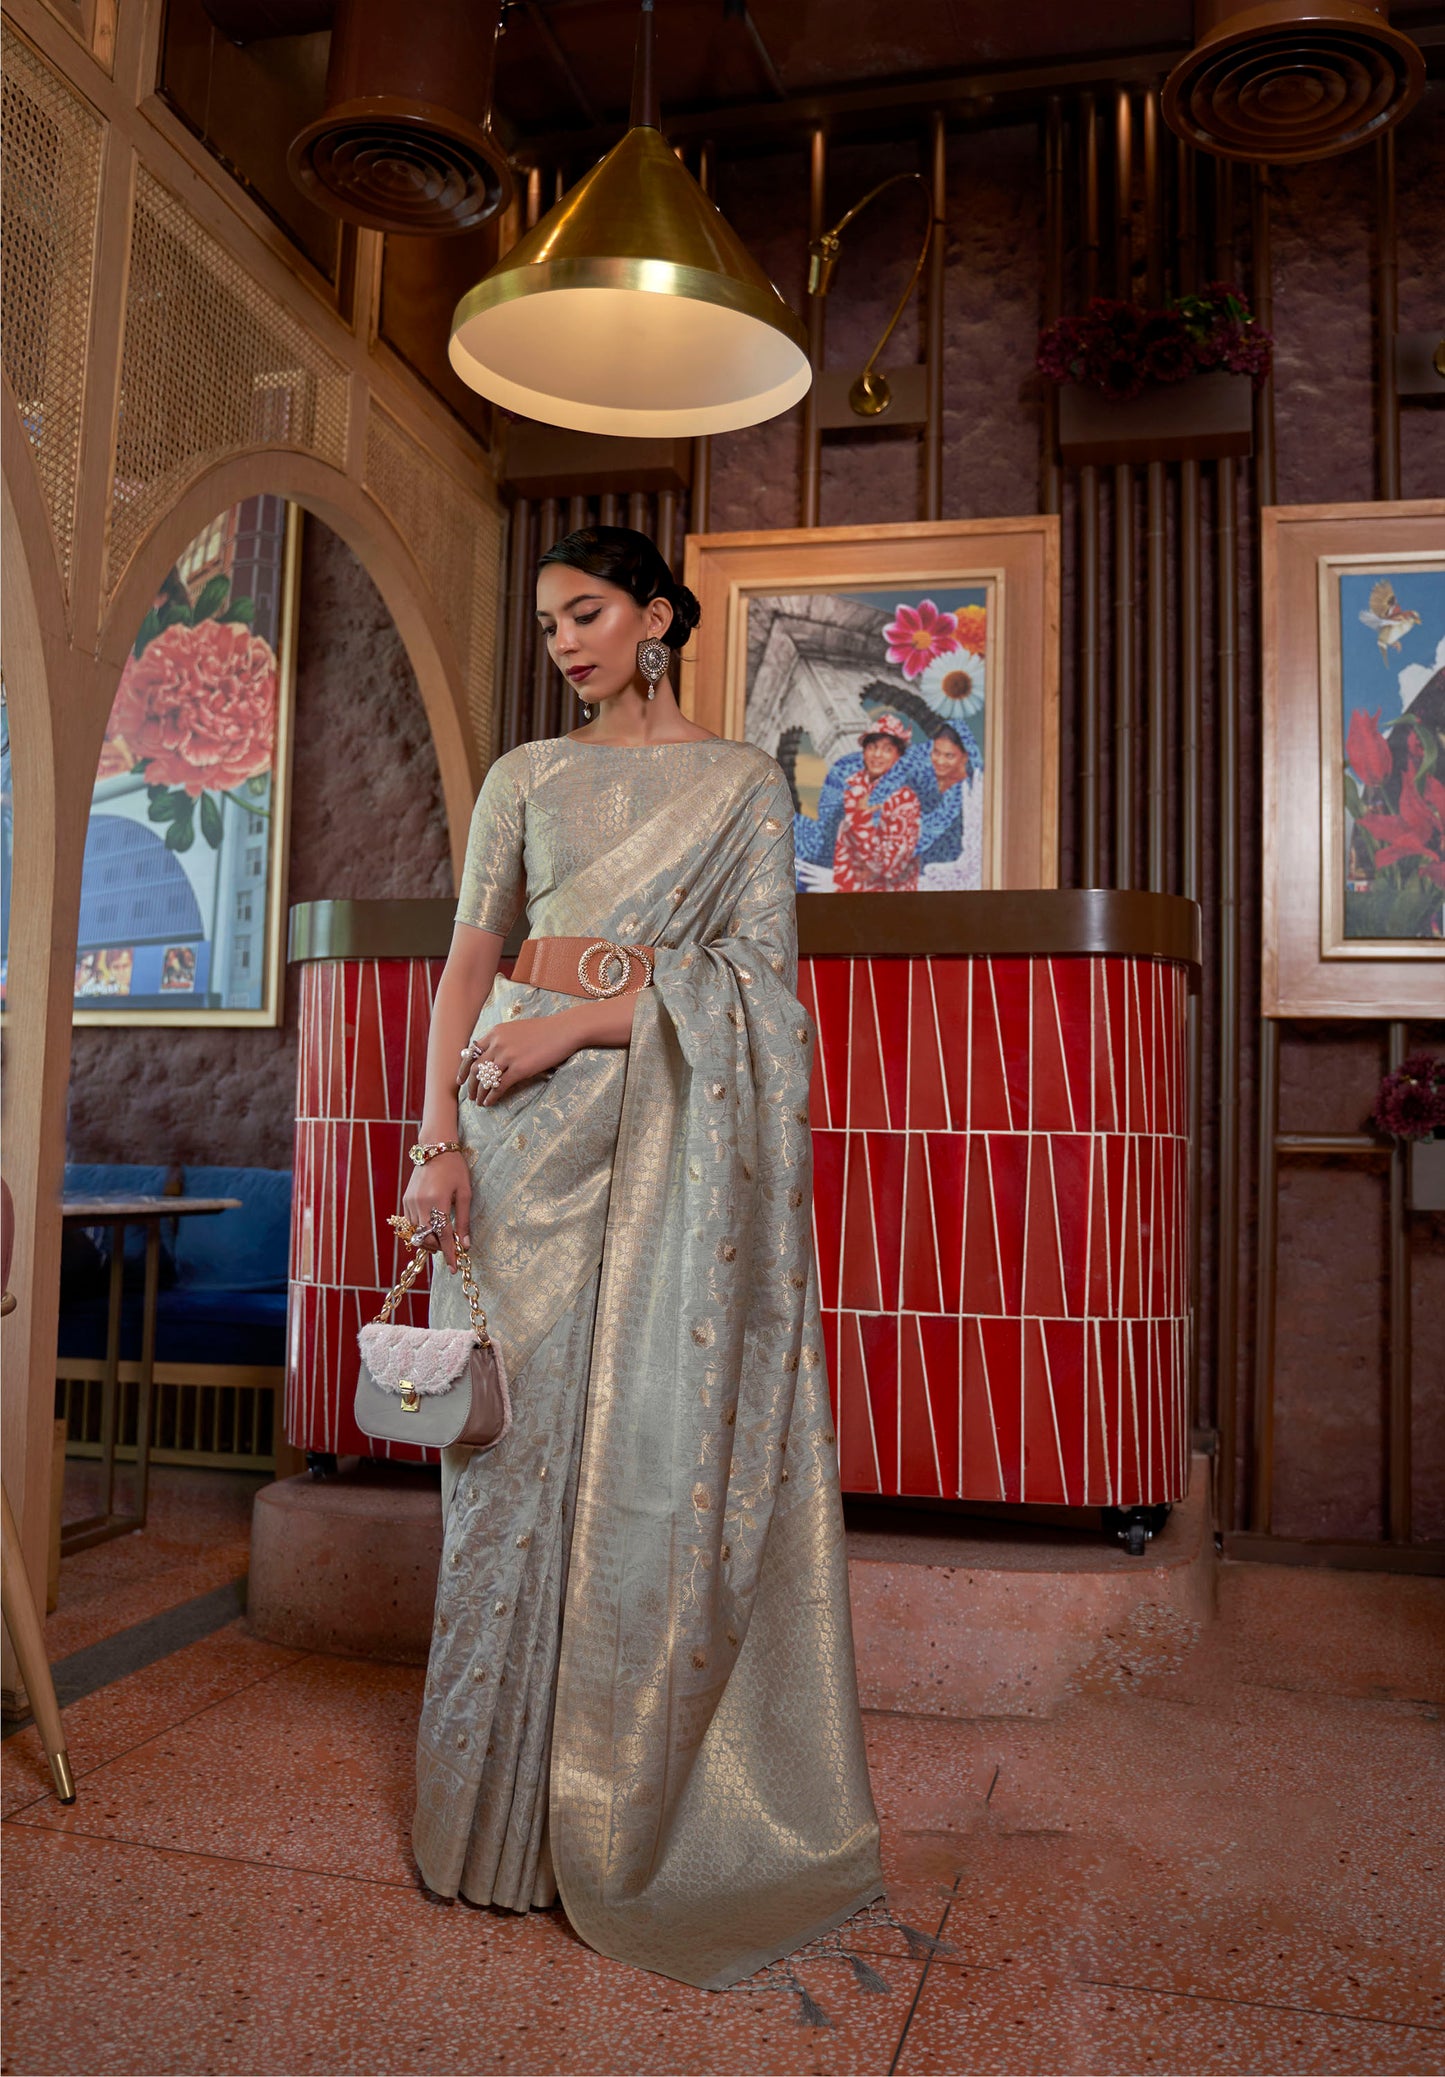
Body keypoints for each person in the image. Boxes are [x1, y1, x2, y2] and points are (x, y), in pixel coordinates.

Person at [400, 526, 882, 1993]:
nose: (564, 644)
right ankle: (484, 1823)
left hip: (664, 1123)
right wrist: (435, 1139)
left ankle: (609, 1815)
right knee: (504, 1461)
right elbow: (469, 964)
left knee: (647, 1454)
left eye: (588, 614)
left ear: (657, 616)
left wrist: (576, 1024)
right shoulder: (524, 777)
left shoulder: (741, 786)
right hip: (511, 1123)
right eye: (549, 624)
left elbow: (762, 995)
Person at [833, 714, 923, 892]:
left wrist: (861, 818)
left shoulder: (905, 799)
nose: (877, 755)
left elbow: (889, 863)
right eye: (872, 747)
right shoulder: (854, 792)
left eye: (887, 749)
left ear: (899, 755)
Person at [918, 719, 984, 891]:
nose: (940, 761)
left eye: (949, 756)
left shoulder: (973, 790)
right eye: (936, 752)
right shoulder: (935, 785)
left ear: (964, 757)